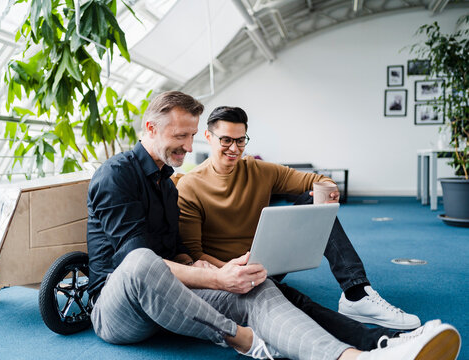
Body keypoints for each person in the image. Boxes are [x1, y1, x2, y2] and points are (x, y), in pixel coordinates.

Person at [86, 91, 460, 360]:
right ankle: (243, 339)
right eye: (180, 136)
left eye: (190, 136)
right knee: (140, 262)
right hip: (118, 310)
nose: (187, 145)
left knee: (259, 287)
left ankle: (360, 354)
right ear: (150, 127)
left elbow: (177, 252)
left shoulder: (167, 183)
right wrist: (216, 277)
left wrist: (213, 268)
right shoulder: (117, 176)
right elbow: (136, 262)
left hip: (171, 297)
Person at [175, 106, 426, 348]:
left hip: (264, 261)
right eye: (226, 140)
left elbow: (317, 180)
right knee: (297, 304)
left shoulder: (258, 170)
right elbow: (195, 256)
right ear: (208, 137)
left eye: (241, 141)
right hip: (229, 275)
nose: (234, 148)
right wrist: (233, 273)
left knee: (313, 199)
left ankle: (356, 291)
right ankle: (380, 341)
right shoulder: (190, 186)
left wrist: (327, 192)